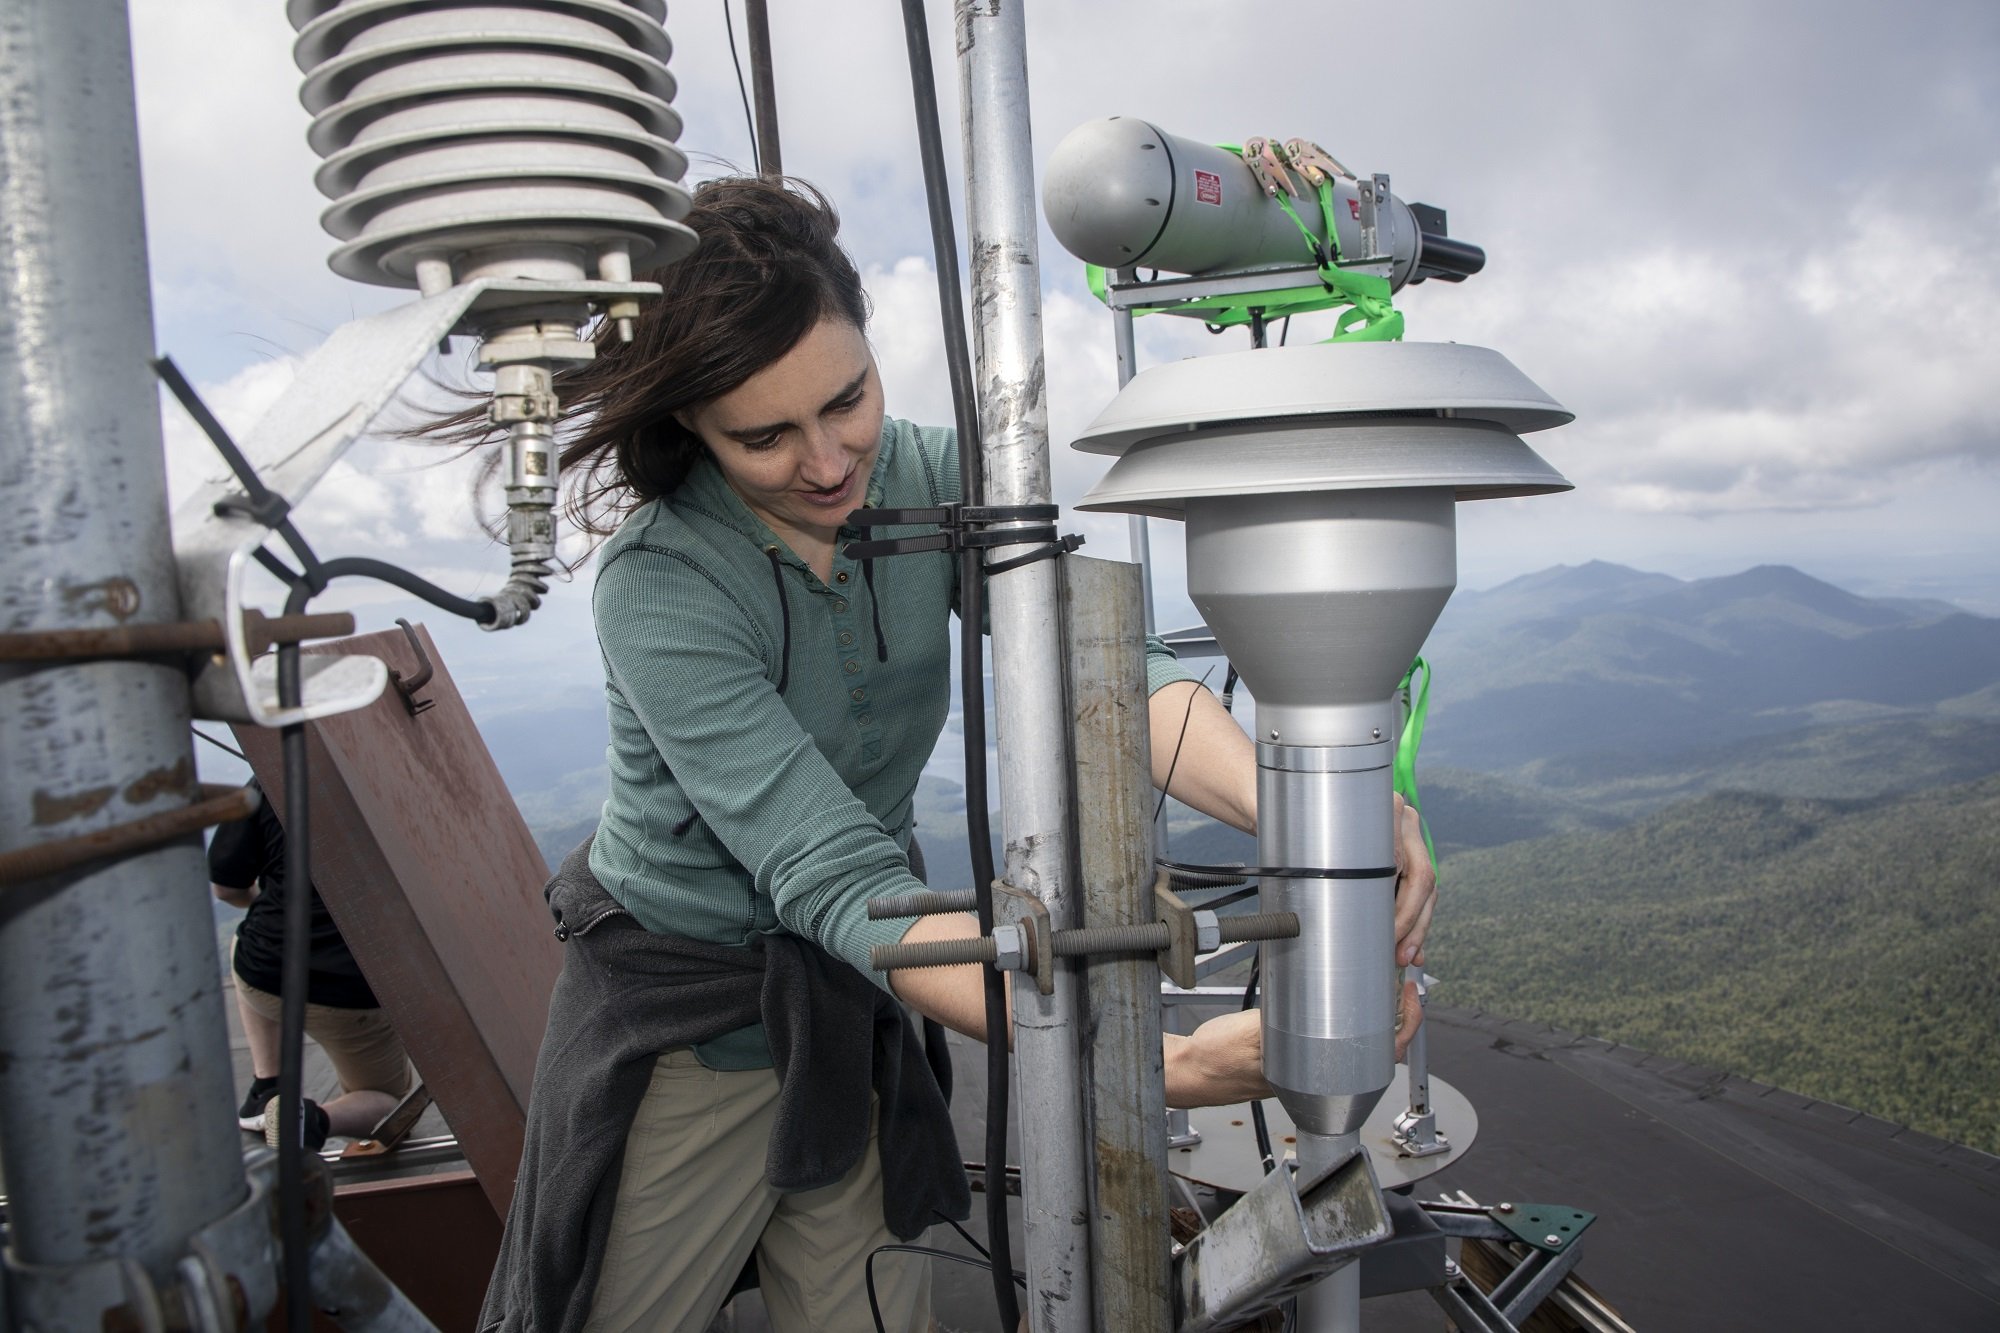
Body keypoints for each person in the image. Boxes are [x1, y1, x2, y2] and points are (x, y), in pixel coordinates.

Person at [473, 177, 1435, 1333]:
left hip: (854, 998)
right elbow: (831, 875)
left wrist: (1306, 817)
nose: (828, 461)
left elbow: (1110, 680)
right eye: (764, 436)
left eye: (847, 399)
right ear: (690, 426)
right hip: (695, 1027)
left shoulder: (933, 477)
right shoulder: (660, 582)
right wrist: (1161, 1065)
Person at [209, 777, 414, 1151]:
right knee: (391, 1103)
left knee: (247, 938)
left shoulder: (271, 778)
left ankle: (267, 1084)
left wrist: (274, 905)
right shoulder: (393, 776)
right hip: (352, 991)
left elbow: (227, 887)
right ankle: (309, 1122)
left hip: (265, 972)